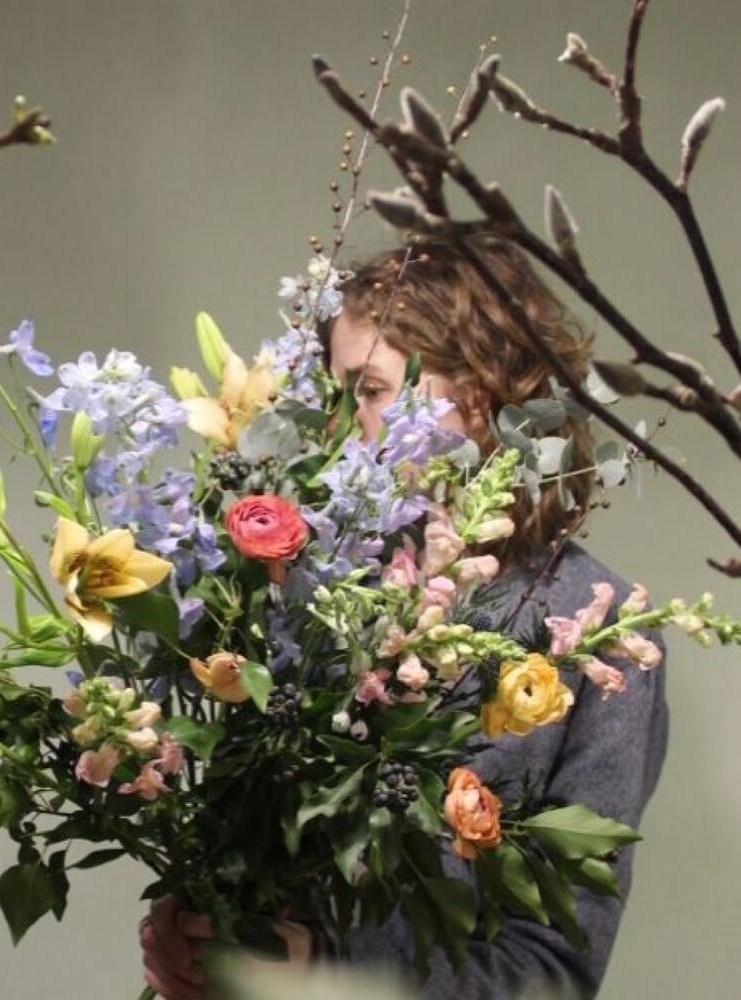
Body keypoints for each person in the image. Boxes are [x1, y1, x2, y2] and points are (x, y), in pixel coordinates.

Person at [139, 237, 670, 999]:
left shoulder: (604, 642)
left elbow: (554, 974)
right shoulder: (302, 578)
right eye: (333, 392)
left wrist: (328, 969)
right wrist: (191, 922)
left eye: (368, 391)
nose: (339, 426)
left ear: (480, 395)